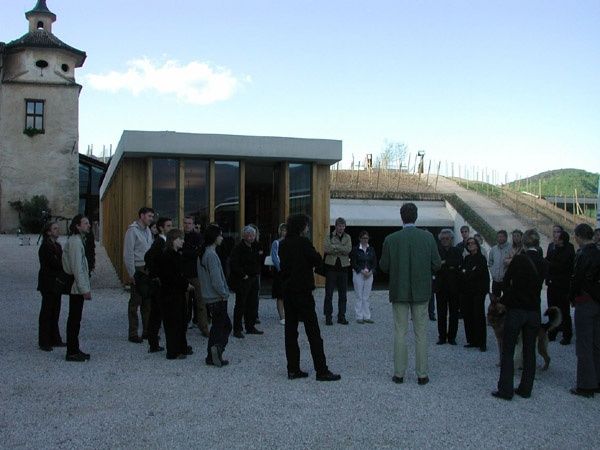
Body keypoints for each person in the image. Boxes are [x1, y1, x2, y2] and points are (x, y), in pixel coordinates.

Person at [380, 203, 441, 385]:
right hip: (421, 291)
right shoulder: (428, 238)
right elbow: (437, 264)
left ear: (401, 216)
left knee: (400, 331)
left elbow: (384, 266)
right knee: (421, 333)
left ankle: (399, 373)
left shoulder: (391, 239)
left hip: (399, 290)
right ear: (416, 216)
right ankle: (422, 374)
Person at [279, 213, 341, 381]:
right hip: (303, 291)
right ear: (301, 227)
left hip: (288, 291)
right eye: (306, 225)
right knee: (313, 331)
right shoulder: (304, 243)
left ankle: (293, 369)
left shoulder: (283, 244)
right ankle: (321, 370)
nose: (308, 228)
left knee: (290, 331)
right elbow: (316, 259)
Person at [493, 229, 547, 400]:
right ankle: (526, 388)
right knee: (529, 350)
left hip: (517, 309)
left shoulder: (519, 259)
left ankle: (506, 389)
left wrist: (505, 300)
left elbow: (506, 282)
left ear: (523, 242)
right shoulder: (543, 262)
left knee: (508, 349)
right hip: (534, 309)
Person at [568, 223, 600, 398]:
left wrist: (571, 297)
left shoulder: (583, 254)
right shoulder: (598, 252)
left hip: (585, 300)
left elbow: (577, 278)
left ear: (579, 236)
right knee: (596, 343)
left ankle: (586, 385)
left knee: (584, 344)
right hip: (597, 301)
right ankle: (597, 380)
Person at [198, 224, 233, 367]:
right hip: (217, 297)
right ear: (214, 237)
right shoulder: (211, 255)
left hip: (210, 297)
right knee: (224, 326)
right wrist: (224, 293)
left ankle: (211, 355)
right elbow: (216, 280)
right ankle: (216, 350)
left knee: (218, 326)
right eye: (220, 235)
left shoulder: (204, 253)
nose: (222, 238)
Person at [157, 229, 192, 360]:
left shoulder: (175, 254)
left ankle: (181, 347)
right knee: (173, 322)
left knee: (181, 321)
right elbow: (172, 276)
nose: (182, 241)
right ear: (172, 240)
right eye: (180, 239)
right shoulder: (168, 256)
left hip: (177, 293)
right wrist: (185, 285)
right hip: (170, 294)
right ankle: (173, 351)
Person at [61, 215, 92, 362]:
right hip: (75, 287)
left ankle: (74, 348)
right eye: (85, 223)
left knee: (76, 318)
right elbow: (77, 268)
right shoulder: (75, 242)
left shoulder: (78, 240)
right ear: (77, 226)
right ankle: (72, 351)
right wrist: (84, 288)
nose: (88, 225)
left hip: (77, 286)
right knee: (74, 318)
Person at [123, 207, 155, 343]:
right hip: (138, 269)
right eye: (149, 216)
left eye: (152, 216)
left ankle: (147, 331)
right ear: (142, 216)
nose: (151, 219)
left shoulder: (148, 231)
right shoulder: (132, 231)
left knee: (147, 302)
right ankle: (133, 333)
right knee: (135, 302)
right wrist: (131, 273)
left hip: (147, 269)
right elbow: (128, 253)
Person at [144, 216, 173, 353]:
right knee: (156, 314)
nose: (170, 228)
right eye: (168, 226)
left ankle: (154, 342)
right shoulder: (160, 242)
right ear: (161, 228)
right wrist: (156, 275)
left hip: (161, 282)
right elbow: (148, 257)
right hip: (159, 284)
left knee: (158, 313)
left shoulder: (164, 241)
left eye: (171, 225)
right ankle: (153, 343)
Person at [37, 221, 67, 351]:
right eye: (54, 229)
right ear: (48, 232)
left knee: (55, 311)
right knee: (47, 312)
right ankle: (44, 341)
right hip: (48, 283)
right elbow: (54, 263)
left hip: (56, 283)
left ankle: (55, 338)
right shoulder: (45, 247)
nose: (57, 230)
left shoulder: (57, 246)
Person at [230, 225, 263, 338]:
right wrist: (243, 275)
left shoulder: (256, 246)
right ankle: (237, 329)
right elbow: (234, 263)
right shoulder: (238, 248)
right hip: (243, 280)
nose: (250, 237)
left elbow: (260, 259)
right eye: (248, 235)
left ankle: (250, 326)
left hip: (254, 278)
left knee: (252, 303)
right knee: (240, 304)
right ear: (243, 236)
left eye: (252, 235)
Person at [546, 229, 575, 344]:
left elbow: (560, 266)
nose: (555, 239)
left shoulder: (569, 251)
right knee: (552, 309)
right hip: (552, 285)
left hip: (562, 286)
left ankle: (567, 335)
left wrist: (549, 265)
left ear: (562, 240)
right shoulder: (554, 250)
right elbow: (547, 261)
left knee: (564, 311)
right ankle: (552, 332)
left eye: (557, 237)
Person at [182, 216, 209, 336]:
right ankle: (182, 326)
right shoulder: (180, 236)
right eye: (185, 223)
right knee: (183, 303)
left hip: (196, 274)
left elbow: (200, 252)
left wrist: (185, 252)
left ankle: (204, 327)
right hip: (183, 274)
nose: (187, 225)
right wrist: (191, 252)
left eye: (189, 223)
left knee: (201, 303)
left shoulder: (198, 237)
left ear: (193, 225)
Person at [435, 229, 463, 345]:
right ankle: (442, 337)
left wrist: (445, 262)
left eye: (447, 238)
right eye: (443, 239)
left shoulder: (457, 251)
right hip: (440, 287)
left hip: (454, 287)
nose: (445, 240)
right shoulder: (437, 251)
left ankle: (452, 337)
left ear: (451, 239)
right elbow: (435, 266)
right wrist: (449, 265)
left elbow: (459, 263)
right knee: (441, 313)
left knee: (454, 313)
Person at [462, 237, 490, 351]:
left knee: (478, 316)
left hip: (478, 291)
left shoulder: (481, 258)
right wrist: (470, 272)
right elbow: (463, 272)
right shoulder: (467, 258)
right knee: (468, 315)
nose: (470, 245)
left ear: (477, 245)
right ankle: (472, 340)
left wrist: (468, 272)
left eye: (472, 243)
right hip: (467, 291)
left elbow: (479, 273)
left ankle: (482, 342)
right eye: (468, 244)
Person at [323, 217, 352, 325]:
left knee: (343, 295)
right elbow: (326, 248)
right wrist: (341, 248)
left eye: (343, 226)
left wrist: (335, 247)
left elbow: (348, 249)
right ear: (335, 226)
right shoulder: (329, 236)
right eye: (339, 226)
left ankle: (341, 316)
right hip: (331, 268)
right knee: (329, 294)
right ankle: (328, 316)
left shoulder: (348, 237)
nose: (341, 228)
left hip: (343, 268)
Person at [350, 230, 377, 324]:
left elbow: (374, 263)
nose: (365, 240)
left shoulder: (371, 249)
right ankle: (359, 316)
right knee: (359, 296)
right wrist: (361, 271)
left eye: (367, 238)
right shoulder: (355, 249)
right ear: (360, 239)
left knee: (366, 296)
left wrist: (370, 272)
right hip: (358, 274)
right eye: (363, 238)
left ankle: (367, 316)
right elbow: (353, 263)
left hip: (369, 274)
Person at [270, 223, 287, 325]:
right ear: (280, 231)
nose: (285, 232)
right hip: (280, 272)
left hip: (289, 271)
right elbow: (274, 257)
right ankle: (282, 316)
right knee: (280, 295)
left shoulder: (291, 243)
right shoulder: (276, 243)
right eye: (283, 230)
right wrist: (280, 269)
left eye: (286, 230)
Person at [488, 230, 511, 298]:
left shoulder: (511, 248)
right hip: (495, 280)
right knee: (494, 299)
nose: (500, 238)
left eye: (501, 236)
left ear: (506, 237)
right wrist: (492, 272)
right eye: (498, 237)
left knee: (507, 299)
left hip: (506, 280)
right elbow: (490, 262)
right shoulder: (494, 249)